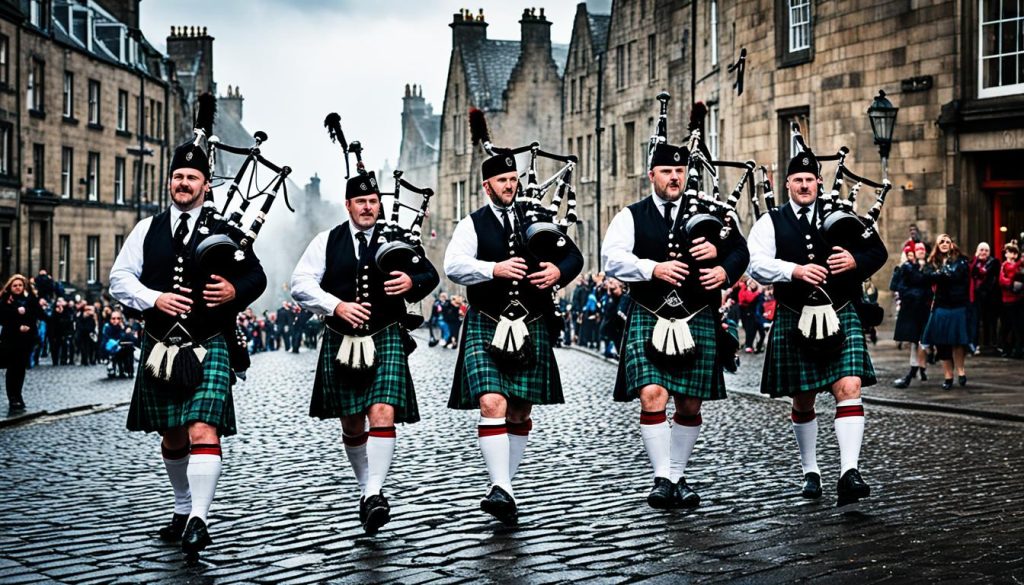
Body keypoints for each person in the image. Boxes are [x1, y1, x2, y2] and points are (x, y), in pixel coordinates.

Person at [109, 133, 267, 560]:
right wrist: (153, 298)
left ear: (205, 185)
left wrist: (234, 291)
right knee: (172, 435)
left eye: (191, 177)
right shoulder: (148, 229)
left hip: (208, 341)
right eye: (177, 176)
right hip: (160, 343)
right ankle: (181, 508)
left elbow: (258, 278)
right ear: (170, 183)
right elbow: (119, 279)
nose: (183, 183)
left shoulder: (224, 232)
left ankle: (199, 518)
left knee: (202, 428)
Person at [291, 170, 439, 535]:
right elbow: (300, 284)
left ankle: (374, 492)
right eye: (361, 202)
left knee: (382, 412)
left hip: (386, 335)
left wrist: (411, 282)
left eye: (373, 201)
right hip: (341, 337)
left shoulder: (398, 241)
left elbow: (430, 276)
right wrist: (334, 305)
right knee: (352, 422)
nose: (368, 207)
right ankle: (366, 489)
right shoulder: (327, 241)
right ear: (348, 205)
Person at [602, 141, 749, 509]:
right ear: (652, 175)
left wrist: (722, 266)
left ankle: (676, 475)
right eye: (667, 171)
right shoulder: (631, 216)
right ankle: (664, 478)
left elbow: (740, 251)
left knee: (689, 402)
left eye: (680, 171)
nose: (674, 177)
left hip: (697, 314)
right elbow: (612, 258)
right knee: (653, 395)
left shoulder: (711, 213)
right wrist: (652, 268)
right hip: (649, 314)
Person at [444, 150, 583, 525]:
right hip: (487, 322)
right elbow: (453, 265)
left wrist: (557, 271)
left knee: (521, 409)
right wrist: (494, 269)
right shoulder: (471, 225)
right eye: (502, 181)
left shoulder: (536, 217)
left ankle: (506, 485)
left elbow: (574, 257)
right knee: (492, 402)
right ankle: (501, 486)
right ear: (487, 186)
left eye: (513, 179)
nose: (510, 185)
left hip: (531, 321)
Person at [747, 149, 887, 507]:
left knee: (849, 385)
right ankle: (811, 471)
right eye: (798, 180)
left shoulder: (841, 214)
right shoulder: (771, 221)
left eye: (810, 179)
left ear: (819, 182)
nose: (805, 185)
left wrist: (856, 260)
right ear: (788, 184)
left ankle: (849, 473)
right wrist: (791, 271)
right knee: (803, 397)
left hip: (841, 311)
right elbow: (755, 264)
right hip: (795, 313)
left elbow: (878, 252)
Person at [921, 234, 971, 389]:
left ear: (952, 244)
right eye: (941, 241)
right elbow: (927, 276)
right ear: (937, 245)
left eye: (947, 241)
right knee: (942, 344)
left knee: (957, 342)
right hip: (941, 306)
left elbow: (956, 276)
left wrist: (942, 273)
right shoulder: (933, 261)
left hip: (957, 305)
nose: (944, 243)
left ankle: (961, 371)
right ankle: (948, 376)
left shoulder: (960, 260)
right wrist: (940, 273)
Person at [1, 275, 45, 414]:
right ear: (10, 287)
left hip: (26, 340)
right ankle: (12, 398)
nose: (18, 288)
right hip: (10, 339)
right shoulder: (5, 300)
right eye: (15, 285)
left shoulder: (30, 300)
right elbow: (3, 318)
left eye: (20, 285)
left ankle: (18, 395)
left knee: (20, 369)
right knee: (12, 369)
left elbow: (37, 314)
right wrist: (17, 324)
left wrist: (29, 327)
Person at [891, 242, 932, 387]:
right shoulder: (907, 268)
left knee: (923, 340)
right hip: (912, 309)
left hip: (926, 309)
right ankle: (916, 370)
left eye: (922, 249)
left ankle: (918, 369)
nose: (920, 251)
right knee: (916, 341)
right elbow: (899, 287)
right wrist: (916, 295)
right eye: (918, 249)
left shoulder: (930, 266)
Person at [969, 242, 1000, 353]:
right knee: (975, 321)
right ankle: (975, 345)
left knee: (990, 321)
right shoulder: (973, 262)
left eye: (986, 250)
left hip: (990, 297)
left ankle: (992, 344)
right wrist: (976, 259)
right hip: (976, 297)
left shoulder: (994, 262)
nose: (983, 252)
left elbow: (991, 276)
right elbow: (971, 272)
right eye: (981, 250)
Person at [998, 242, 1023, 359]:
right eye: (1010, 252)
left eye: (1014, 253)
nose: (1012, 255)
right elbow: (1002, 280)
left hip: (1018, 299)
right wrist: (1013, 282)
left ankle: (1016, 348)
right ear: (1006, 253)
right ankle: (1007, 348)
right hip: (1008, 299)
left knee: (1017, 326)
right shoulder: (1005, 265)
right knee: (1008, 325)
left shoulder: (1019, 265)